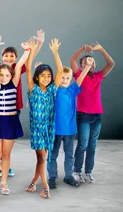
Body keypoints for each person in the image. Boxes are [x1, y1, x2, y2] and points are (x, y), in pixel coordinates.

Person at [0, 41, 30, 195]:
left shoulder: (14, 84)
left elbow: (21, 63)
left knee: (6, 154)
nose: (3, 77)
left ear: (12, 75)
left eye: (7, 75)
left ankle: (3, 181)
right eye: (1, 75)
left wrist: (27, 50)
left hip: (10, 120)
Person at [70, 42, 115, 183]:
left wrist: (101, 49)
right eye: (86, 60)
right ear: (82, 65)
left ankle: (88, 172)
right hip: (83, 115)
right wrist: (83, 48)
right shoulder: (78, 75)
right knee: (82, 144)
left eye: (91, 60)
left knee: (92, 145)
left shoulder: (98, 76)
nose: (89, 61)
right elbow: (72, 60)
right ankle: (76, 171)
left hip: (97, 116)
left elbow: (111, 63)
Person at [24, 38, 63, 199]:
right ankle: (45, 187)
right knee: (43, 157)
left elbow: (60, 71)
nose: (46, 78)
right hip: (37, 130)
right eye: (43, 75)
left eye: (48, 76)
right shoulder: (33, 90)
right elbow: (27, 67)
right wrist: (32, 51)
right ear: (37, 77)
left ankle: (33, 182)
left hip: (49, 127)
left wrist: (55, 52)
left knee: (41, 159)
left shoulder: (53, 89)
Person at [48, 55, 92, 188]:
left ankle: (68, 176)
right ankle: (52, 177)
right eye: (62, 77)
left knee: (69, 155)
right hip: (55, 130)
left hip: (70, 129)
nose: (65, 80)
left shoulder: (72, 90)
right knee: (52, 155)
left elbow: (80, 78)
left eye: (68, 78)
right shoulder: (53, 90)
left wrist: (88, 66)